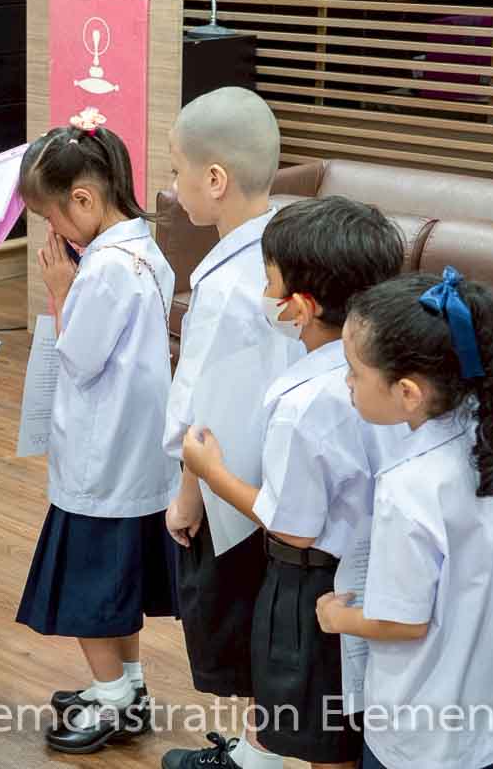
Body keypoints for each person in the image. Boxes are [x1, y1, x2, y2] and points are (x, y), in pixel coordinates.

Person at [176, 196, 406, 769]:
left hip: (312, 583)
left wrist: (211, 472)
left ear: (299, 306)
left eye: (269, 281)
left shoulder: (304, 404)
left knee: (323, 737)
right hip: (376, 566)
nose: (263, 293)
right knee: (348, 725)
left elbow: (292, 527)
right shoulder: (394, 373)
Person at [329, 270, 493, 769]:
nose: (347, 382)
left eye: (353, 371)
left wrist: (338, 618)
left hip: (437, 733)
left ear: (408, 392)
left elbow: (401, 621)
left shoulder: (409, 484)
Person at [12, 111, 181, 755]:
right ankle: (128, 685)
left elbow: (81, 358)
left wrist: (61, 291)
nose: (51, 233)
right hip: (135, 452)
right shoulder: (144, 248)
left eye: (51, 217)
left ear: (83, 200)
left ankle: (111, 695)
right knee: (118, 583)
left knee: (88, 586)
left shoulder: (104, 268)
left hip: (102, 456)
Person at [157, 86, 302, 767]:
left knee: (243, 618)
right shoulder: (285, 251)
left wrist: (188, 493)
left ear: (214, 179)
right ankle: (259, 748)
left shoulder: (223, 286)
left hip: (233, 483)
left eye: (176, 169)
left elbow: (203, 407)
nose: (171, 185)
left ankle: (258, 756)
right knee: (268, 617)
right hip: (280, 476)